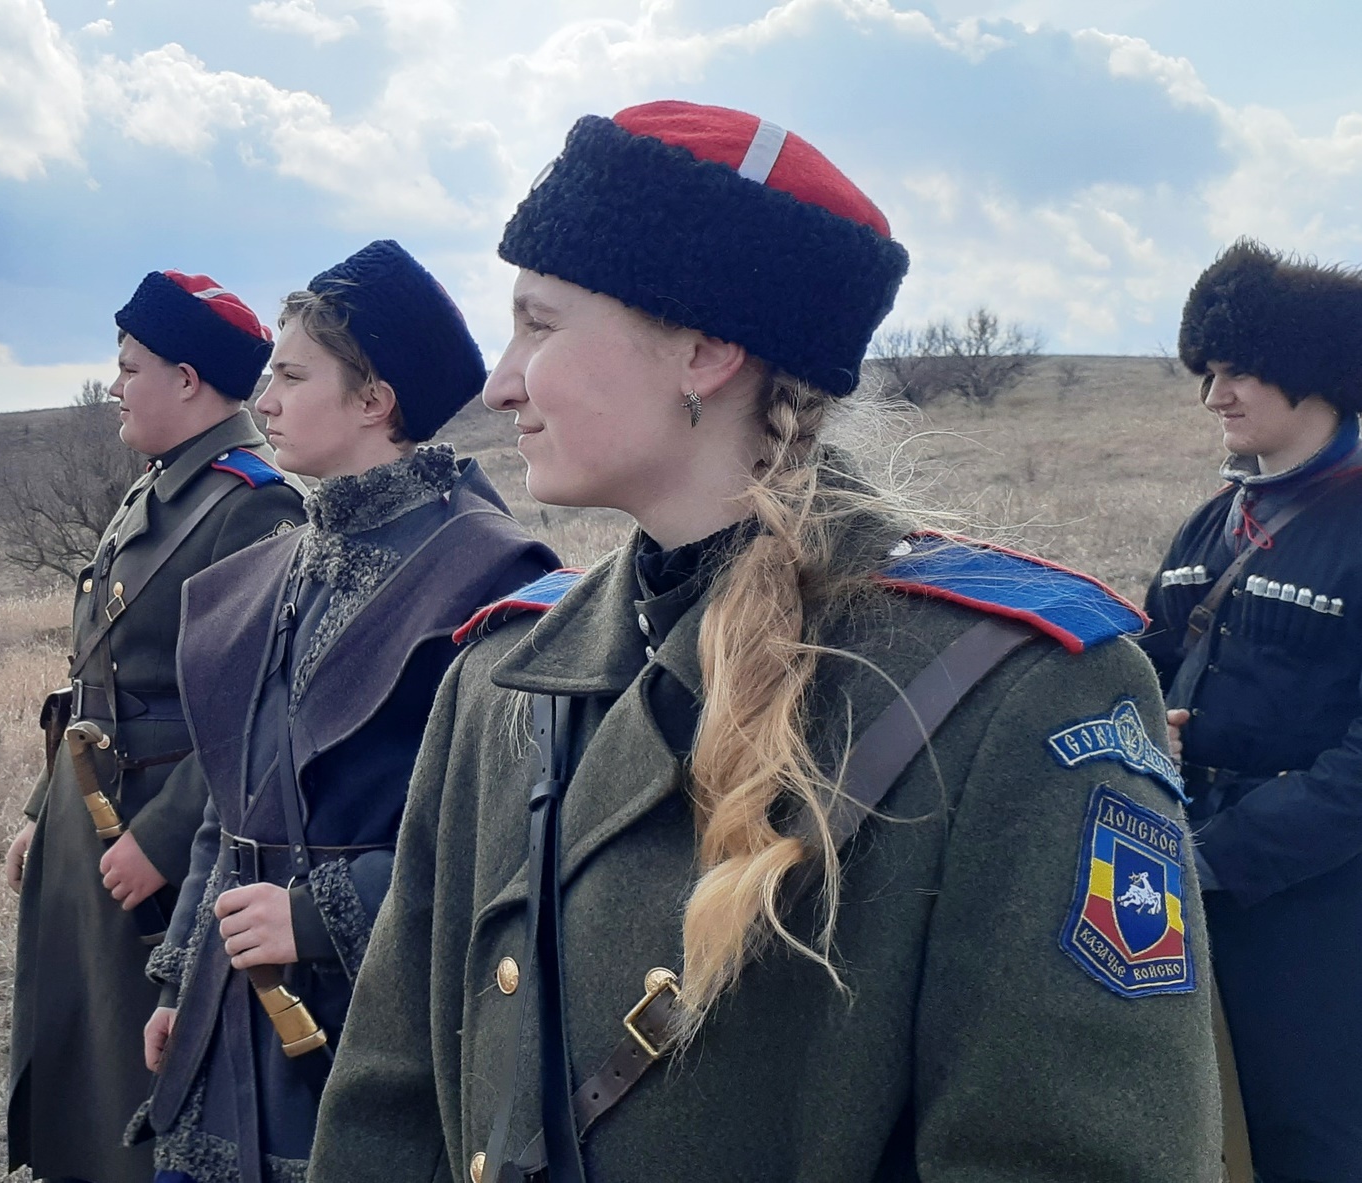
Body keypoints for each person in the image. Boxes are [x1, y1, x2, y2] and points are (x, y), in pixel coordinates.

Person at [309, 101, 1220, 1182]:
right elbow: (389, 1104)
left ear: (702, 350)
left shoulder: (1016, 695)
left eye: (539, 325)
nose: (500, 381)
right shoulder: (500, 679)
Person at [130, 240, 559, 1183]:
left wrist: (319, 914)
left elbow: (506, 834)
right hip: (226, 1022)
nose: (265, 401)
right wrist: (181, 981)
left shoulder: (486, 570)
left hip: (372, 1027)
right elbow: (230, 809)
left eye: (291, 376)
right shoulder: (275, 567)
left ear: (374, 399)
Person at [8, 269, 305, 1183]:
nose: (113, 386)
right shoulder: (162, 486)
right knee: (81, 1055)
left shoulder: (253, 502)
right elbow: (94, 678)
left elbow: (255, 706)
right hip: (95, 817)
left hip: (153, 842)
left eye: (130, 367)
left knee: (135, 1077)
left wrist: (166, 838)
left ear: (186, 378)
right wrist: (42, 811)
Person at [1140, 240, 1362, 1183]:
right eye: (1206, 372)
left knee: (1310, 1134)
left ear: (1308, 369)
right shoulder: (1209, 523)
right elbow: (1146, 665)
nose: (1213, 396)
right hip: (1179, 874)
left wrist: (1225, 855)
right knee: (1196, 1125)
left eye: (1235, 371)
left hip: (1316, 907)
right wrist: (1142, 721)